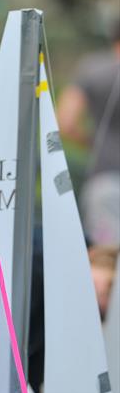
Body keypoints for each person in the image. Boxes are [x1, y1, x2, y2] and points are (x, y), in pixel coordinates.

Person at [57, 20, 120, 245]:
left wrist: (93, 143)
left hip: (106, 179)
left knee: (106, 256)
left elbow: (65, 121)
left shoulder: (93, 69)